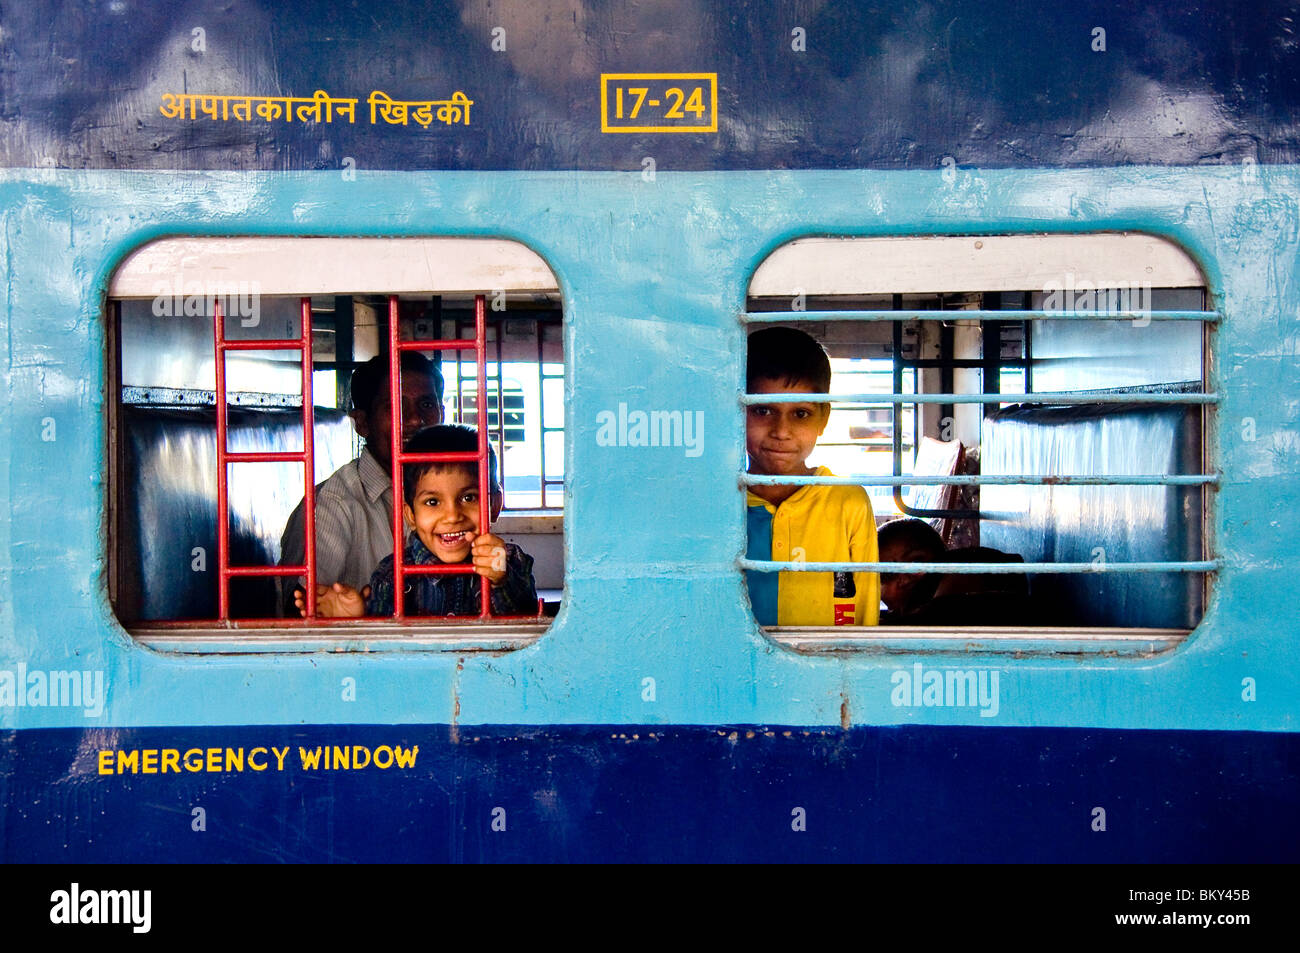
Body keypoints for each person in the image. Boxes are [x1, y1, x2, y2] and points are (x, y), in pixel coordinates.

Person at [297, 424, 538, 618]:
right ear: (410, 515)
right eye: (433, 502)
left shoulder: (511, 561)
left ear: (494, 506)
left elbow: (530, 629)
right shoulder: (392, 574)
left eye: (468, 497)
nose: (453, 515)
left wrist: (500, 581)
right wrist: (357, 620)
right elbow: (384, 651)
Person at [279, 352, 444, 612]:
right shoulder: (332, 504)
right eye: (395, 407)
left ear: (442, 412)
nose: (414, 419)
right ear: (363, 423)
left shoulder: (453, 493)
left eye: (426, 405)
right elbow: (298, 612)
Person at [744, 327, 880, 626]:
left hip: (824, 670)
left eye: (801, 413)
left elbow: (865, 611)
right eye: (763, 410)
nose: (781, 431)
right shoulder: (719, 502)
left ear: (824, 418)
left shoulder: (848, 502)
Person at [877, 517, 1031, 625]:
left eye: (917, 562)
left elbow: (943, 613)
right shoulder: (907, 608)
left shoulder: (957, 570)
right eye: (887, 575)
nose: (905, 578)